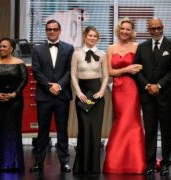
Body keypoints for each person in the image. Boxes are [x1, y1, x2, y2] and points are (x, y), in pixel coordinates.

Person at [134, 17, 171, 176]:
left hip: (166, 96)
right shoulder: (142, 47)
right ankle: (150, 164)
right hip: (148, 97)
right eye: (153, 29)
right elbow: (137, 70)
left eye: (158, 28)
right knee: (150, 131)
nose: (156, 31)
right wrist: (148, 86)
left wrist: (159, 85)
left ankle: (166, 163)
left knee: (167, 131)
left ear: (163, 27)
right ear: (148, 30)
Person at [30, 19, 74, 173]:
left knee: (62, 130)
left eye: (55, 29)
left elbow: (70, 71)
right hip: (44, 95)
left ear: (60, 30)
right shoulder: (37, 49)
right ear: (46, 31)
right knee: (43, 130)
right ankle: (38, 162)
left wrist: (59, 85)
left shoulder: (69, 48)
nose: (52, 32)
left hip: (62, 95)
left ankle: (64, 162)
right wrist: (50, 86)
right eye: (49, 29)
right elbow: (36, 71)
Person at [103, 17, 146, 174]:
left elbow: (142, 67)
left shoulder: (137, 47)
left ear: (132, 31)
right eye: (123, 28)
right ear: (118, 30)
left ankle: (136, 162)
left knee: (132, 122)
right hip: (118, 88)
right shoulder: (111, 48)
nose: (125, 31)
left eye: (128, 29)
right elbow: (110, 72)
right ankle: (115, 163)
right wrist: (126, 70)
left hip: (133, 88)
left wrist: (136, 69)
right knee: (120, 121)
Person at [0, 37, 28, 171]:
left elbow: (24, 80)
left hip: (14, 102)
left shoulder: (19, 63)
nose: (1, 49)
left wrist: (14, 93)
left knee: (12, 131)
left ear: (11, 48)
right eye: (0, 46)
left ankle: (13, 162)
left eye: (4, 46)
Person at [71, 26, 109, 175]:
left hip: (96, 93)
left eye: (95, 36)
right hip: (82, 93)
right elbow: (73, 75)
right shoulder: (76, 54)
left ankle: (93, 167)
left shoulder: (103, 54)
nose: (92, 38)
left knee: (95, 129)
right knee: (84, 128)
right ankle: (81, 166)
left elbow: (106, 75)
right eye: (90, 36)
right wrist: (78, 92)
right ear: (85, 36)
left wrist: (101, 91)